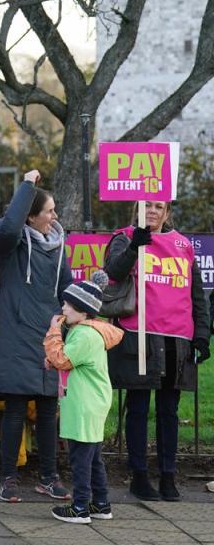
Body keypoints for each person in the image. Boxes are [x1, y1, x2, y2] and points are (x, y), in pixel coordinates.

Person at [103, 201, 210, 501]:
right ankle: (138, 476)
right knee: (137, 408)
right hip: (138, 337)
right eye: (146, 205)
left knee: (169, 412)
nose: (152, 211)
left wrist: (201, 334)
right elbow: (112, 272)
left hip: (177, 339)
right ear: (137, 209)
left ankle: (167, 475)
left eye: (158, 206)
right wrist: (134, 246)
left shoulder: (183, 245)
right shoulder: (124, 236)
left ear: (167, 212)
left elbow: (197, 295)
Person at [0, 169, 73, 503]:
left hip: (48, 333)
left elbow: (66, 287)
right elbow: (6, 228)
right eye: (49, 210)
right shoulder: (13, 243)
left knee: (49, 409)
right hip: (16, 331)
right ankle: (8, 478)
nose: (55, 216)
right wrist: (27, 185)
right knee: (16, 408)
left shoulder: (58, 245)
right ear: (31, 216)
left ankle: (49, 478)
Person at [43, 270, 123, 524]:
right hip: (88, 402)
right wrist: (55, 360)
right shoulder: (86, 331)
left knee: (80, 459)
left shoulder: (86, 334)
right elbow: (71, 360)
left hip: (84, 404)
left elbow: (64, 359)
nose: (63, 308)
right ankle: (100, 504)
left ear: (83, 310)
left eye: (68, 304)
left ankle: (79, 508)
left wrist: (53, 333)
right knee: (92, 457)